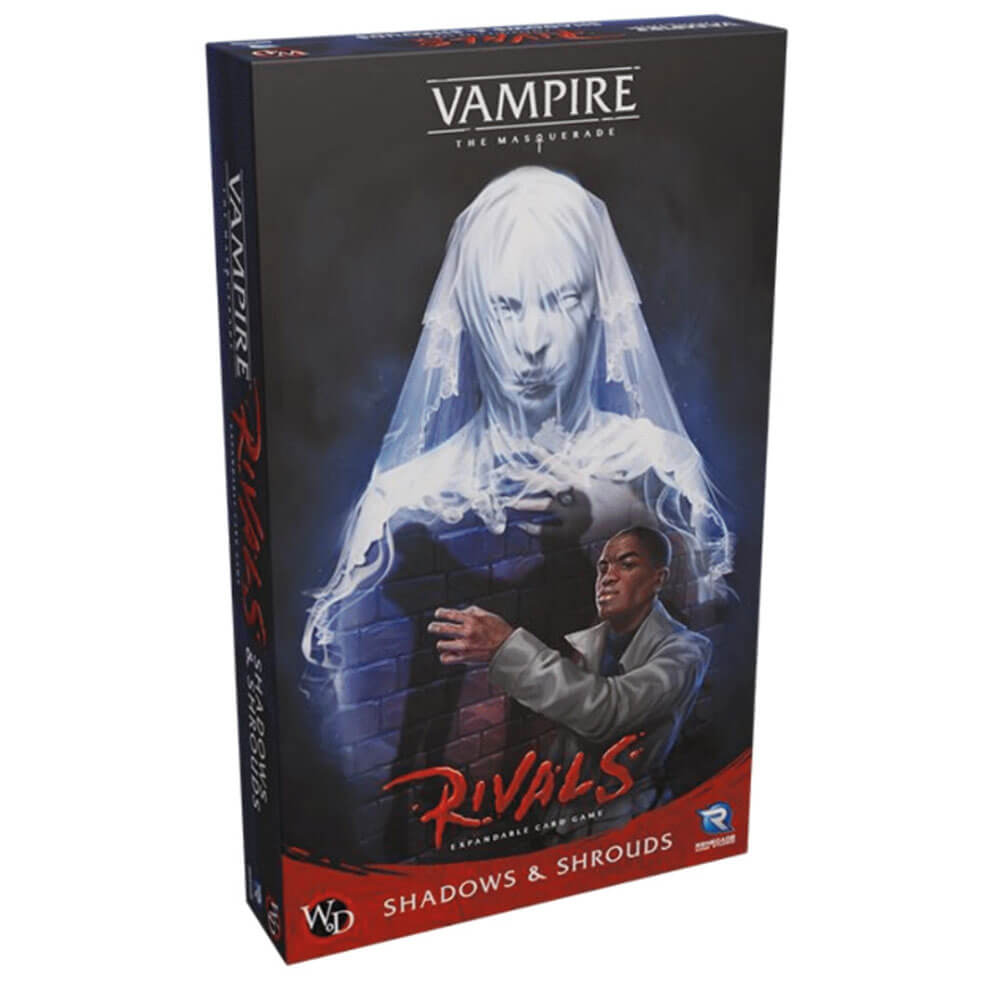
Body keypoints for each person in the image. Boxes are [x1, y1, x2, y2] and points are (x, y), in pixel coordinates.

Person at [303, 166, 731, 686]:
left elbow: (697, 645)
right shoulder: (406, 497)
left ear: (598, 304)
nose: (533, 343)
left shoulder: (661, 466)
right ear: (469, 312)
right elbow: (363, 682)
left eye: (562, 301)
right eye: (505, 308)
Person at [428, 525, 711, 819]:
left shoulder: (687, 651)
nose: (608, 577)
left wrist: (507, 647)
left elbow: (609, 710)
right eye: (603, 568)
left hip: (630, 819)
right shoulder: (588, 643)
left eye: (627, 565)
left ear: (658, 578)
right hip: (564, 822)